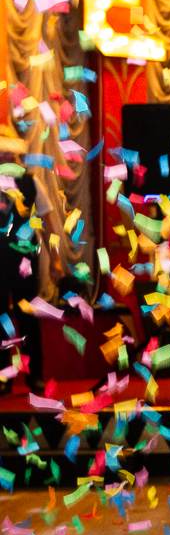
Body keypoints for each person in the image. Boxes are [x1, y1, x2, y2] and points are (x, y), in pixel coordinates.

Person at [0, 138, 62, 393]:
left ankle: (35, 375)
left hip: (24, 259)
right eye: (2, 156)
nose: (6, 160)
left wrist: (56, 259)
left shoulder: (31, 182)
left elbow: (49, 224)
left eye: (10, 156)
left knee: (28, 316)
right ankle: (4, 377)